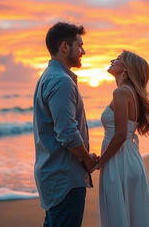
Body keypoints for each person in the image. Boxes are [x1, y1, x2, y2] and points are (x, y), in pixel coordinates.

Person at [33, 22, 98, 227]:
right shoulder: (61, 81)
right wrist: (87, 159)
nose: (83, 51)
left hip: (54, 175)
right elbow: (67, 133)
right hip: (64, 178)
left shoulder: (48, 76)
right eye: (79, 45)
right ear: (64, 47)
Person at [92, 50, 149, 226]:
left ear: (126, 69)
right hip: (129, 158)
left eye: (118, 59)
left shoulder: (121, 93)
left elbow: (121, 134)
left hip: (118, 161)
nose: (112, 60)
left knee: (118, 213)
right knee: (132, 215)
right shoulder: (132, 93)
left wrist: (101, 162)